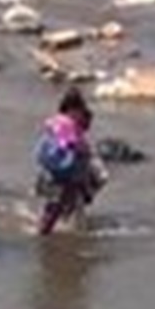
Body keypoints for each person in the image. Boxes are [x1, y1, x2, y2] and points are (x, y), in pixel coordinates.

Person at [35, 88, 101, 235]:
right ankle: (45, 231)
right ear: (73, 109)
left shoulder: (54, 121)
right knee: (58, 203)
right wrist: (84, 150)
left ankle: (52, 226)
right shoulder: (67, 124)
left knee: (59, 202)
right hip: (66, 171)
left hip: (54, 169)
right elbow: (70, 144)